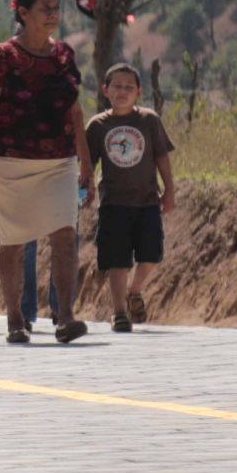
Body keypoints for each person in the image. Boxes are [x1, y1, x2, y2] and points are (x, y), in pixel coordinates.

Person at [0, 0, 92, 345]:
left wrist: (85, 162)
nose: (53, 14)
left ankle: (65, 317)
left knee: (65, 234)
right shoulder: (4, 57)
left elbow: (75, 111)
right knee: (14, 241)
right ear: (23, 12)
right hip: (11, 162)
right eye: (45, 8)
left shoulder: (65, 54)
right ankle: (15, 317)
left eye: (56, 7)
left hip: (59, 161)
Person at [87, 63, 176, 332]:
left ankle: (134, 291)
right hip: (113, 202)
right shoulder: (98, 125)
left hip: (147, 199)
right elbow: (87, 165)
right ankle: (119, 313)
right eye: (117, 86)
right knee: (117, 260)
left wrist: (169, 189)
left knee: (151, 254)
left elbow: (161, 155)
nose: (122, 91)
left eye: (128, 87)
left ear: (138, 92)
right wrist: (85, 192)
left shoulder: (148, 120)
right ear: (105, 90)